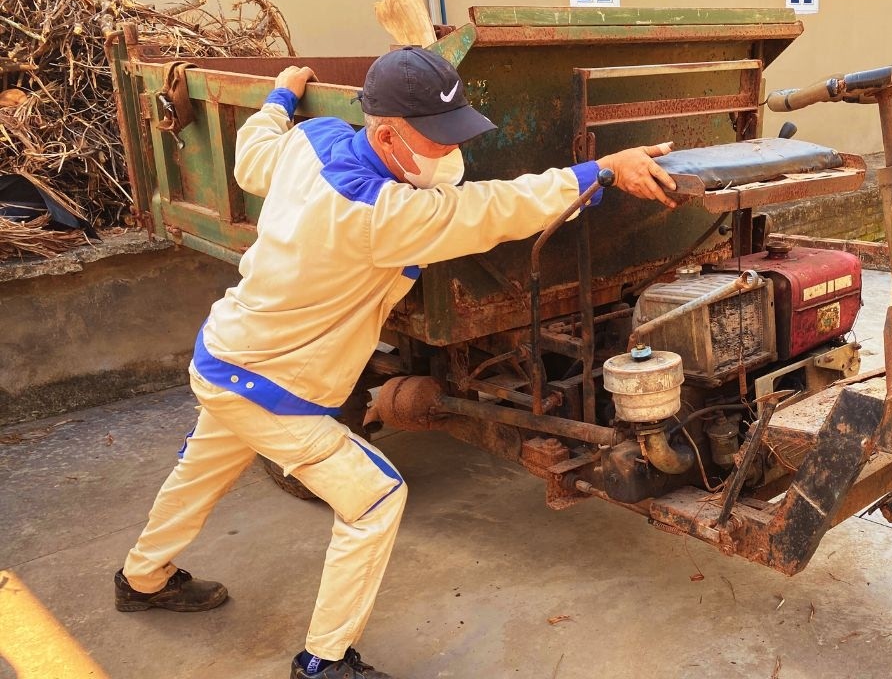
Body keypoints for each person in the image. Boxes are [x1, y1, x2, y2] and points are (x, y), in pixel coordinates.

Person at [113, 46, 678, 679]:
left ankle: (141, 578)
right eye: (435, 140)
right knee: (376, 500)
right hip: (269, 383)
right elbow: (496, 209)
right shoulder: (379, 214)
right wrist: (599, 171)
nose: (449, 153)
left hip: (226, 353)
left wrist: (280, 95)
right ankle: (322, 663)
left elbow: (252, 158)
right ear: (385, 134)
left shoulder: (314, 139)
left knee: (200, 473)